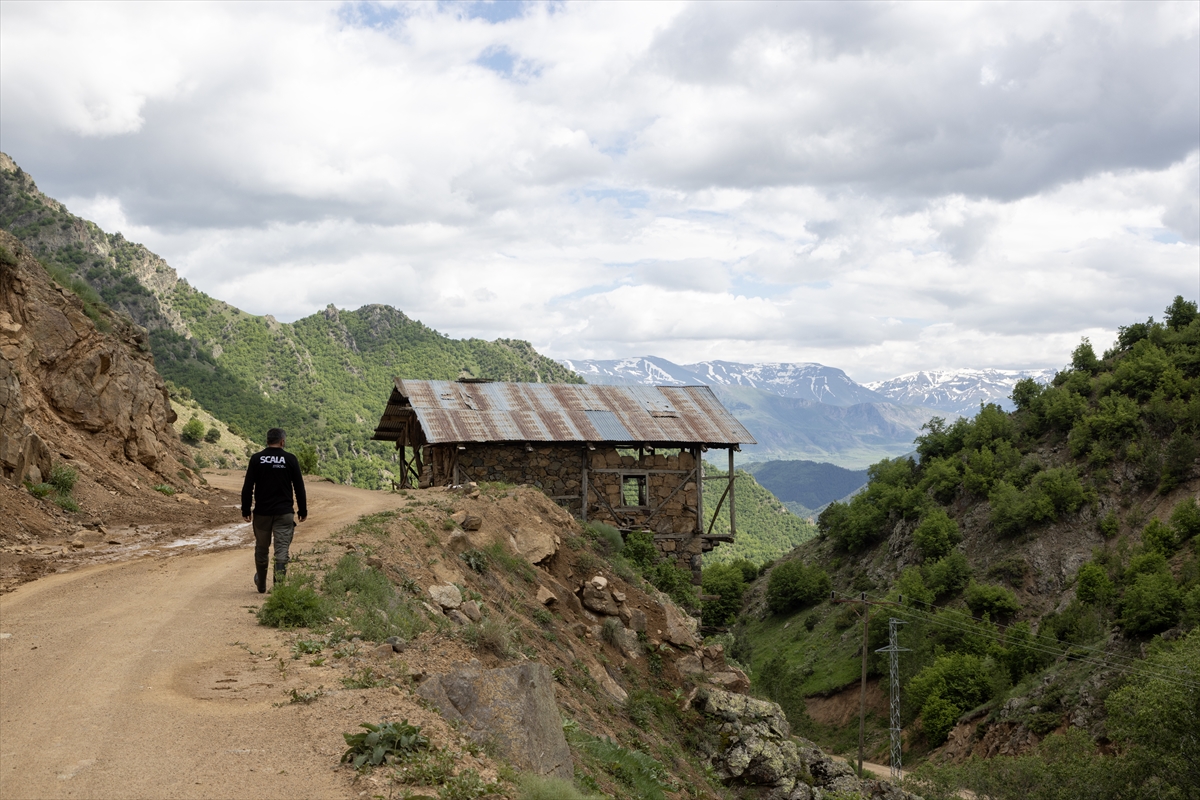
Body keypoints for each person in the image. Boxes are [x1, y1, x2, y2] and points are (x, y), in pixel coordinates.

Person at [241, 427, 307, 593]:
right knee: (282, 550)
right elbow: (299, 487)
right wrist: (302, 509)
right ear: (282, 441)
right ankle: (279, 590)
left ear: (267, 441)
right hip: (284, 513)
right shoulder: (290, 459)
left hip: (262, 513)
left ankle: (261, 584)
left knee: (262, 548)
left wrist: (246, 508)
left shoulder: (257, 459)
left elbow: (248, 486)